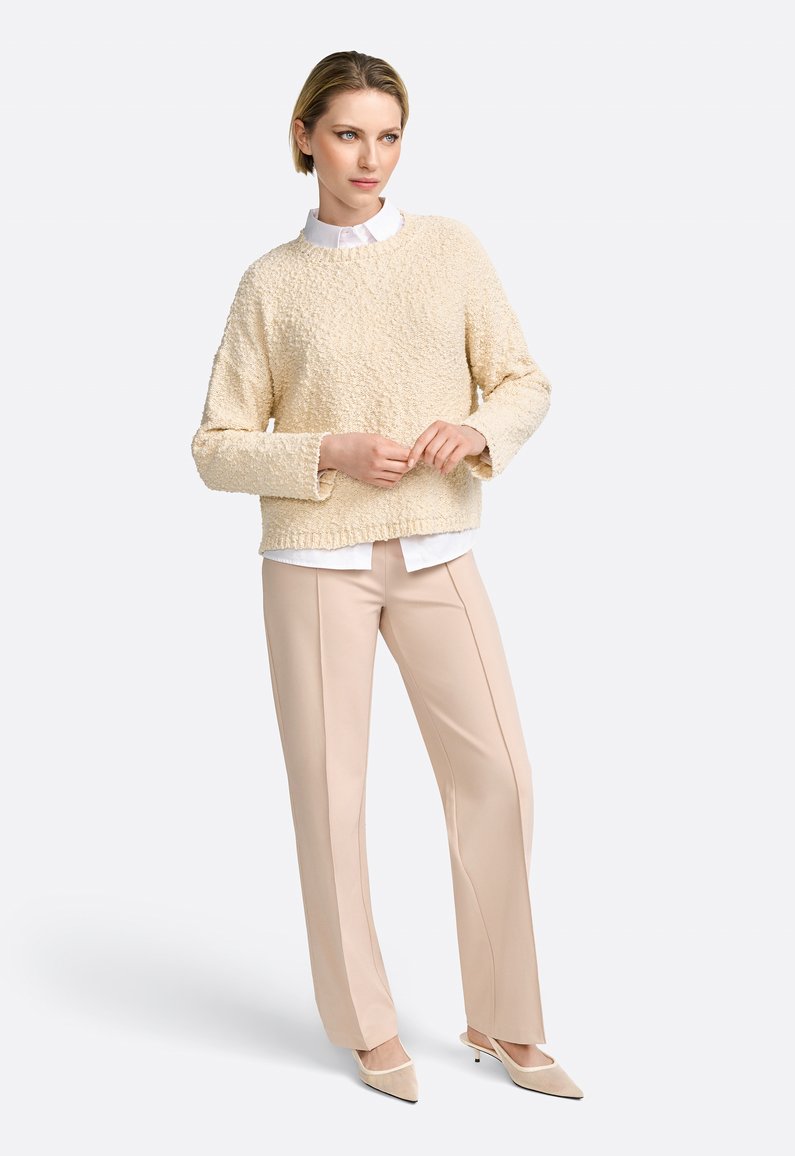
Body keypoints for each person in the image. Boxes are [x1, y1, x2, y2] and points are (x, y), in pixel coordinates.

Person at [191, 49, 583, 1103]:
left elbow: (523, 379)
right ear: (304, 138)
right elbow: (215, 447)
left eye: (389, 135)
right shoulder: (270, 283)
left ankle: (505, 1019)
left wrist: (477, 429)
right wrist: (329, 452)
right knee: (332, 799)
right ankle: (365, 1024)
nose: (371, 158)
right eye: (349, 134)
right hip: (313, 565)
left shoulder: (450, 250)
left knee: (500, 776)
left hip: (436, 549)